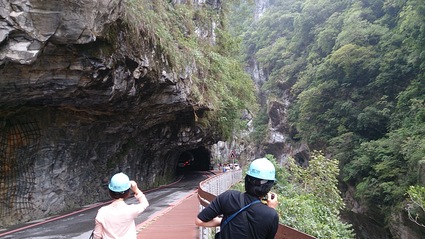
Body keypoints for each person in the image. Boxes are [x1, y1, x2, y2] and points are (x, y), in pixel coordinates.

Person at [196, 157, 279, 239]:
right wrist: (271, 209)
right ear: (269, 187)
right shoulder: (271, 215)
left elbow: (199, 221)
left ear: (247, 180)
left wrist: (224, 220)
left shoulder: (229, 196)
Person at [92, 172, 149, 239]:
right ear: (127, 193)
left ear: (110, 192)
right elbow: (145, 203)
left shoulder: (102, 212)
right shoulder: (130, 210)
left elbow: (97, 236)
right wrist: (136, 189)